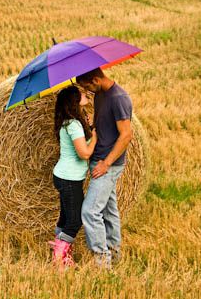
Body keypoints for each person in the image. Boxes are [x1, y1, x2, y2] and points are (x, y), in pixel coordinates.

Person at [76, 67, 133, 269]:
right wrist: (94, 124)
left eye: (87, 86)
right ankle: (115, 254)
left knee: (90, 211)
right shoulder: (101, 94)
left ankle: (102, 262)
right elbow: (105, 126)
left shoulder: (119, 98)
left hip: (108, 164)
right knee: (109, 211)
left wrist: (106, 163)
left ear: (95, 79)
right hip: (98, 159)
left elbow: (126, 135)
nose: (87, 91)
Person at [50, 86, 97, 268]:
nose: (85, 95)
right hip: (69, 179)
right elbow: (84, 154)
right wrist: (95, 137)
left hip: (64, 176)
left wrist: (89, 127)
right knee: (75, 220)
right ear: (74, 101)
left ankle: (60, 248)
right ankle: (59, 257)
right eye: (81, 94)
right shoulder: (73, 125)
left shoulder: (69, 123)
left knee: (65, 217)